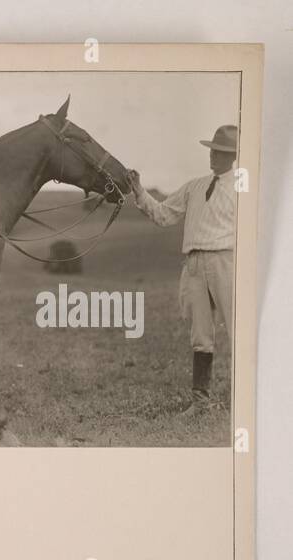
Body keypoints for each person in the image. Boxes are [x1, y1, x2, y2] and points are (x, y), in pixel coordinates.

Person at [126, 125, 237, 416]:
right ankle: (200, 402)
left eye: (222, 152)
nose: (214, 155)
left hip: (227, 261)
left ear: (234, 156)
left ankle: (251, 401)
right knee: (200, 334)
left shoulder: (243, 187)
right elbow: (164, 214)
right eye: (213, 150)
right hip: (194, 264)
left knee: (241, 331)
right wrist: (139, 190)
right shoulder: (195, 186)